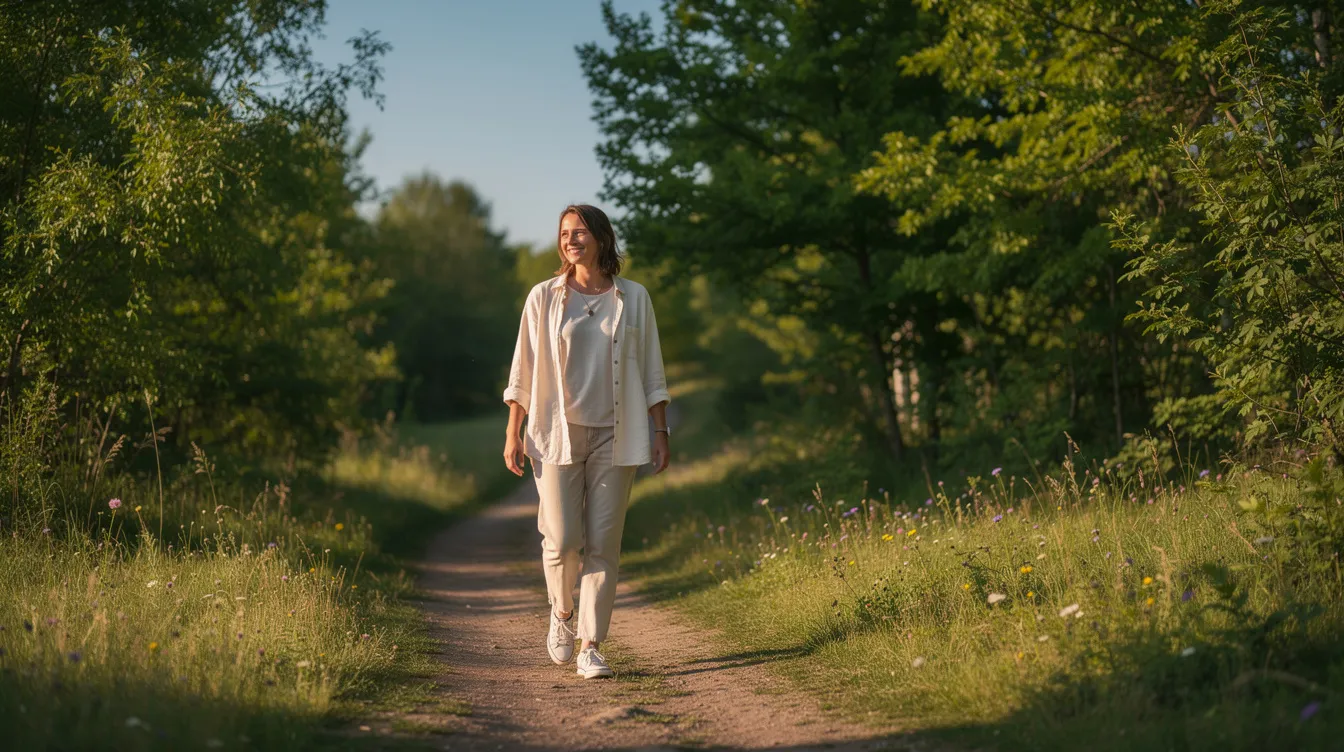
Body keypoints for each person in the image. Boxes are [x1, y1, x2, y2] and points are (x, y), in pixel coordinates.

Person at [502, 204, 671, 679]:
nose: (570, 240)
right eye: (564, 233)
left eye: (579, 232)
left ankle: (591, 645)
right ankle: (561, 612)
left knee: (604, 543)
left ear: (601, 237)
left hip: (616, 435)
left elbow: (652, 370)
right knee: (562, 540)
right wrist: (513, 430)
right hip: (555, 432)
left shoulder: (633, 297)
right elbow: (523, 368)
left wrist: (660, 431)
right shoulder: (544, 297)